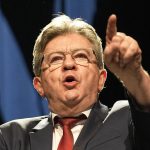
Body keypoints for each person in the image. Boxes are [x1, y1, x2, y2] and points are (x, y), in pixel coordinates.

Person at [0, 14, 150, 150]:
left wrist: (134, 75)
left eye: (81, 56)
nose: (69, 64)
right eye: (56, 59)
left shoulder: (127, 120)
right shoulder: (11, 138)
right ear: (39, 86)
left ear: (101, 79)